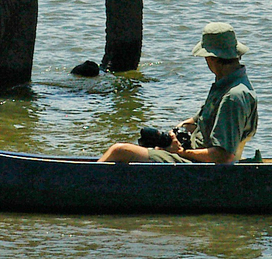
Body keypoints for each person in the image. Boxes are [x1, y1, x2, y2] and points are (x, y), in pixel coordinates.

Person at [99, 23, 259, 164]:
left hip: (202, 167)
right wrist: (175, 133)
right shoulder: (226, 85)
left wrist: (181, 152)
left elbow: (224, 156)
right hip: (195, 153)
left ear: (212, 58)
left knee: (119, 151)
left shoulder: (233, 97)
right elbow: (196, 121)